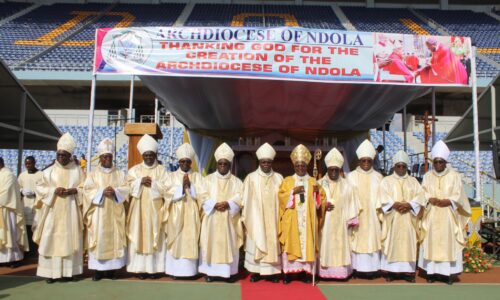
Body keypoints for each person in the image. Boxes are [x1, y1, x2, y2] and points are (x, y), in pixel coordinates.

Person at [34, 133, 85, 283]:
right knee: (52, 239)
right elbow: (40, 188)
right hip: (53, 212)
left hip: (71, 211)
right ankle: (51, 273)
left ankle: (71, 272)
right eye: (59, 155)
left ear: (70, 155)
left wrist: (75, 191)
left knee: (71, 239)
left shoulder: (77, 171)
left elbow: (85, 188)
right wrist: (53, 191)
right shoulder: (48, 171)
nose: (61, 157)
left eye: (65, 155)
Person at [418, 141, 471, 285]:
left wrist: (450, 201)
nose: (438, 164)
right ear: (433, 162)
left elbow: (459, 194)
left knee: (448, 242)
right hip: (433, 214)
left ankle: (447, 274)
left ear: (445, 162)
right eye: (436, 162)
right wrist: (430, 198)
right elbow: (422, 192)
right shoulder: (427, 176)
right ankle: (432, 273)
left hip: (448, 214)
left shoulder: (454, 176)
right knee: (432, 242)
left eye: (441, 162)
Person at [278, 144, 326, 284]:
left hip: (307, 222)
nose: (300, 168)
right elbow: (281, 198)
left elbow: (320, 203)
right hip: (292, 220)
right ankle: (288, 273)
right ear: (294, 165)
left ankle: (306, 273)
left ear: (307, 166)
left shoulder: (313, 182)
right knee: (291, 243)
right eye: (298, 165)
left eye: (303, 166)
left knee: (307, 246)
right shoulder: (287, 181)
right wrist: (292, 192)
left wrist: (317, 195)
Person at [83, 138, 129, 281]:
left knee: (115, 239)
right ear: (100, 158)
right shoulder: (93, 174)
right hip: (99, 213)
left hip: (115, 213)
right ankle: (98, 271)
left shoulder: (120, 173)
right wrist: (101, 192)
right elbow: (87, 190)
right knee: (99, 238)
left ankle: (113, 270)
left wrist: (115, 191)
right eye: (104, 157)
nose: (107, 159)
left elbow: (126, 188)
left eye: (109, 156)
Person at [199, 143, 243, 282]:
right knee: (211, 243)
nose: (223, 165)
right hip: (212, 218)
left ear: (229, 164)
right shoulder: (207, 179)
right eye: (220, 163)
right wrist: (214, 204)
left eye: (225, 163)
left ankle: (229, 273)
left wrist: (229, 204)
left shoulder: (237, 182)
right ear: (217, 163)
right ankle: (211, 273)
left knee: (229, 243)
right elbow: (202, 195)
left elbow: (241, 196)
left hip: (229, 220)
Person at [379, 150, 425, 283]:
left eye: (403, 166)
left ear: (407, 167)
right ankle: (391, 272)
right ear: (394, 166)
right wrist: (394, 204)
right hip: (393, 218)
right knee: (392, 242)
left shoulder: (413, 181)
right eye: (398, 166)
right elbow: (382, 196)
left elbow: (420, 196)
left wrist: (410, 205)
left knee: (408, 243)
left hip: (408, 219)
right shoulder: (386, 181)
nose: (401, 168)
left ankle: (408, 272)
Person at [126, 134, 168, 279]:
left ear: (155, 154)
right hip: (138, 210)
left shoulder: (162, 170)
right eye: (146, 155)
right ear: (142, 155)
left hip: (155, 210)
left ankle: (154, 269)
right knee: (139, 235)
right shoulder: (135, 170)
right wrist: (139, 182)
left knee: (155, 236)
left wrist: (154, 184)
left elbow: (167, 188)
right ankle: (140, 269)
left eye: (151, 155)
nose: (149, 158)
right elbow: (128, 187)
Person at [163, 143, 207, 279]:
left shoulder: (198, 177)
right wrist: (181, 188)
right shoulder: (171, 176)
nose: (185, 164)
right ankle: (175, 271)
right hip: (176, 215)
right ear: (179, 162)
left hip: (192, 214)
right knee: (176, 241)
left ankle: (190, 271)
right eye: (182, 161)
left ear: (191, 162)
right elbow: (166, 193)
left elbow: (203, 194)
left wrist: (191, 187)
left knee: (191, 239)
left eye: (188, 161)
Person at [242, 143, 283, 283]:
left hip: (273, 218)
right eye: (263, 162)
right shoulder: (251, 178)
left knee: (272, 243)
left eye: (268, 162)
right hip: (256, 218)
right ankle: (256, 271)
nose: (266, 164)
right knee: (257, 241)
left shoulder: (279, 178)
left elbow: (283, 199)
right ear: (259, 162)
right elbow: (245, 200)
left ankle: (271, 272)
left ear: (272, 162)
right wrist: (250, 216)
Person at [317, 148, 360, 280]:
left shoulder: (348, 186)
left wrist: (351, 221)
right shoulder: (318, 185)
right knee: (326, 245)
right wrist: (322, 206)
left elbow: (353, 203)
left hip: (341, 224)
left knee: (341, 247)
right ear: (327, 169)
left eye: (337, 169)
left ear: (340, 169)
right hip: (325, 224)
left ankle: (341, 273)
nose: (334, 172)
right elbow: (313, 204)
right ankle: (324, 273)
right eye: (331, 169)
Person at [347, 139, 383, 279]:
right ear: (359, 161)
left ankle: (373, 269)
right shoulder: (350, 177)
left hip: (373, 217)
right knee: (357, 241)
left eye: (369, 161)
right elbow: (347, 196)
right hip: (357, 216)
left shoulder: (379, 177)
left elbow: (382, 198)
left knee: (373, 240)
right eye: (364, 161)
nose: (366, 163)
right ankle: (356, 268)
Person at [0, 157, 28, 267]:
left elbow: (7, 193)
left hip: (7, 209)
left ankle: (13, 258)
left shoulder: (8, 175)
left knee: (9, 233)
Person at [17, 156, 42, 257]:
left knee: (35, 228)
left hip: (36, 204)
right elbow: (18, 188)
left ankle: (34, 250)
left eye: (30, 163)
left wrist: (35, 193)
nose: (28, 165)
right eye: (26, 164)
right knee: (26, 228)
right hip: (25, 204)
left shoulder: (41, 175)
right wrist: (22, 192)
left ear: (34, 163)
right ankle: (26, 250)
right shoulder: (22, 175)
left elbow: (43, 189)